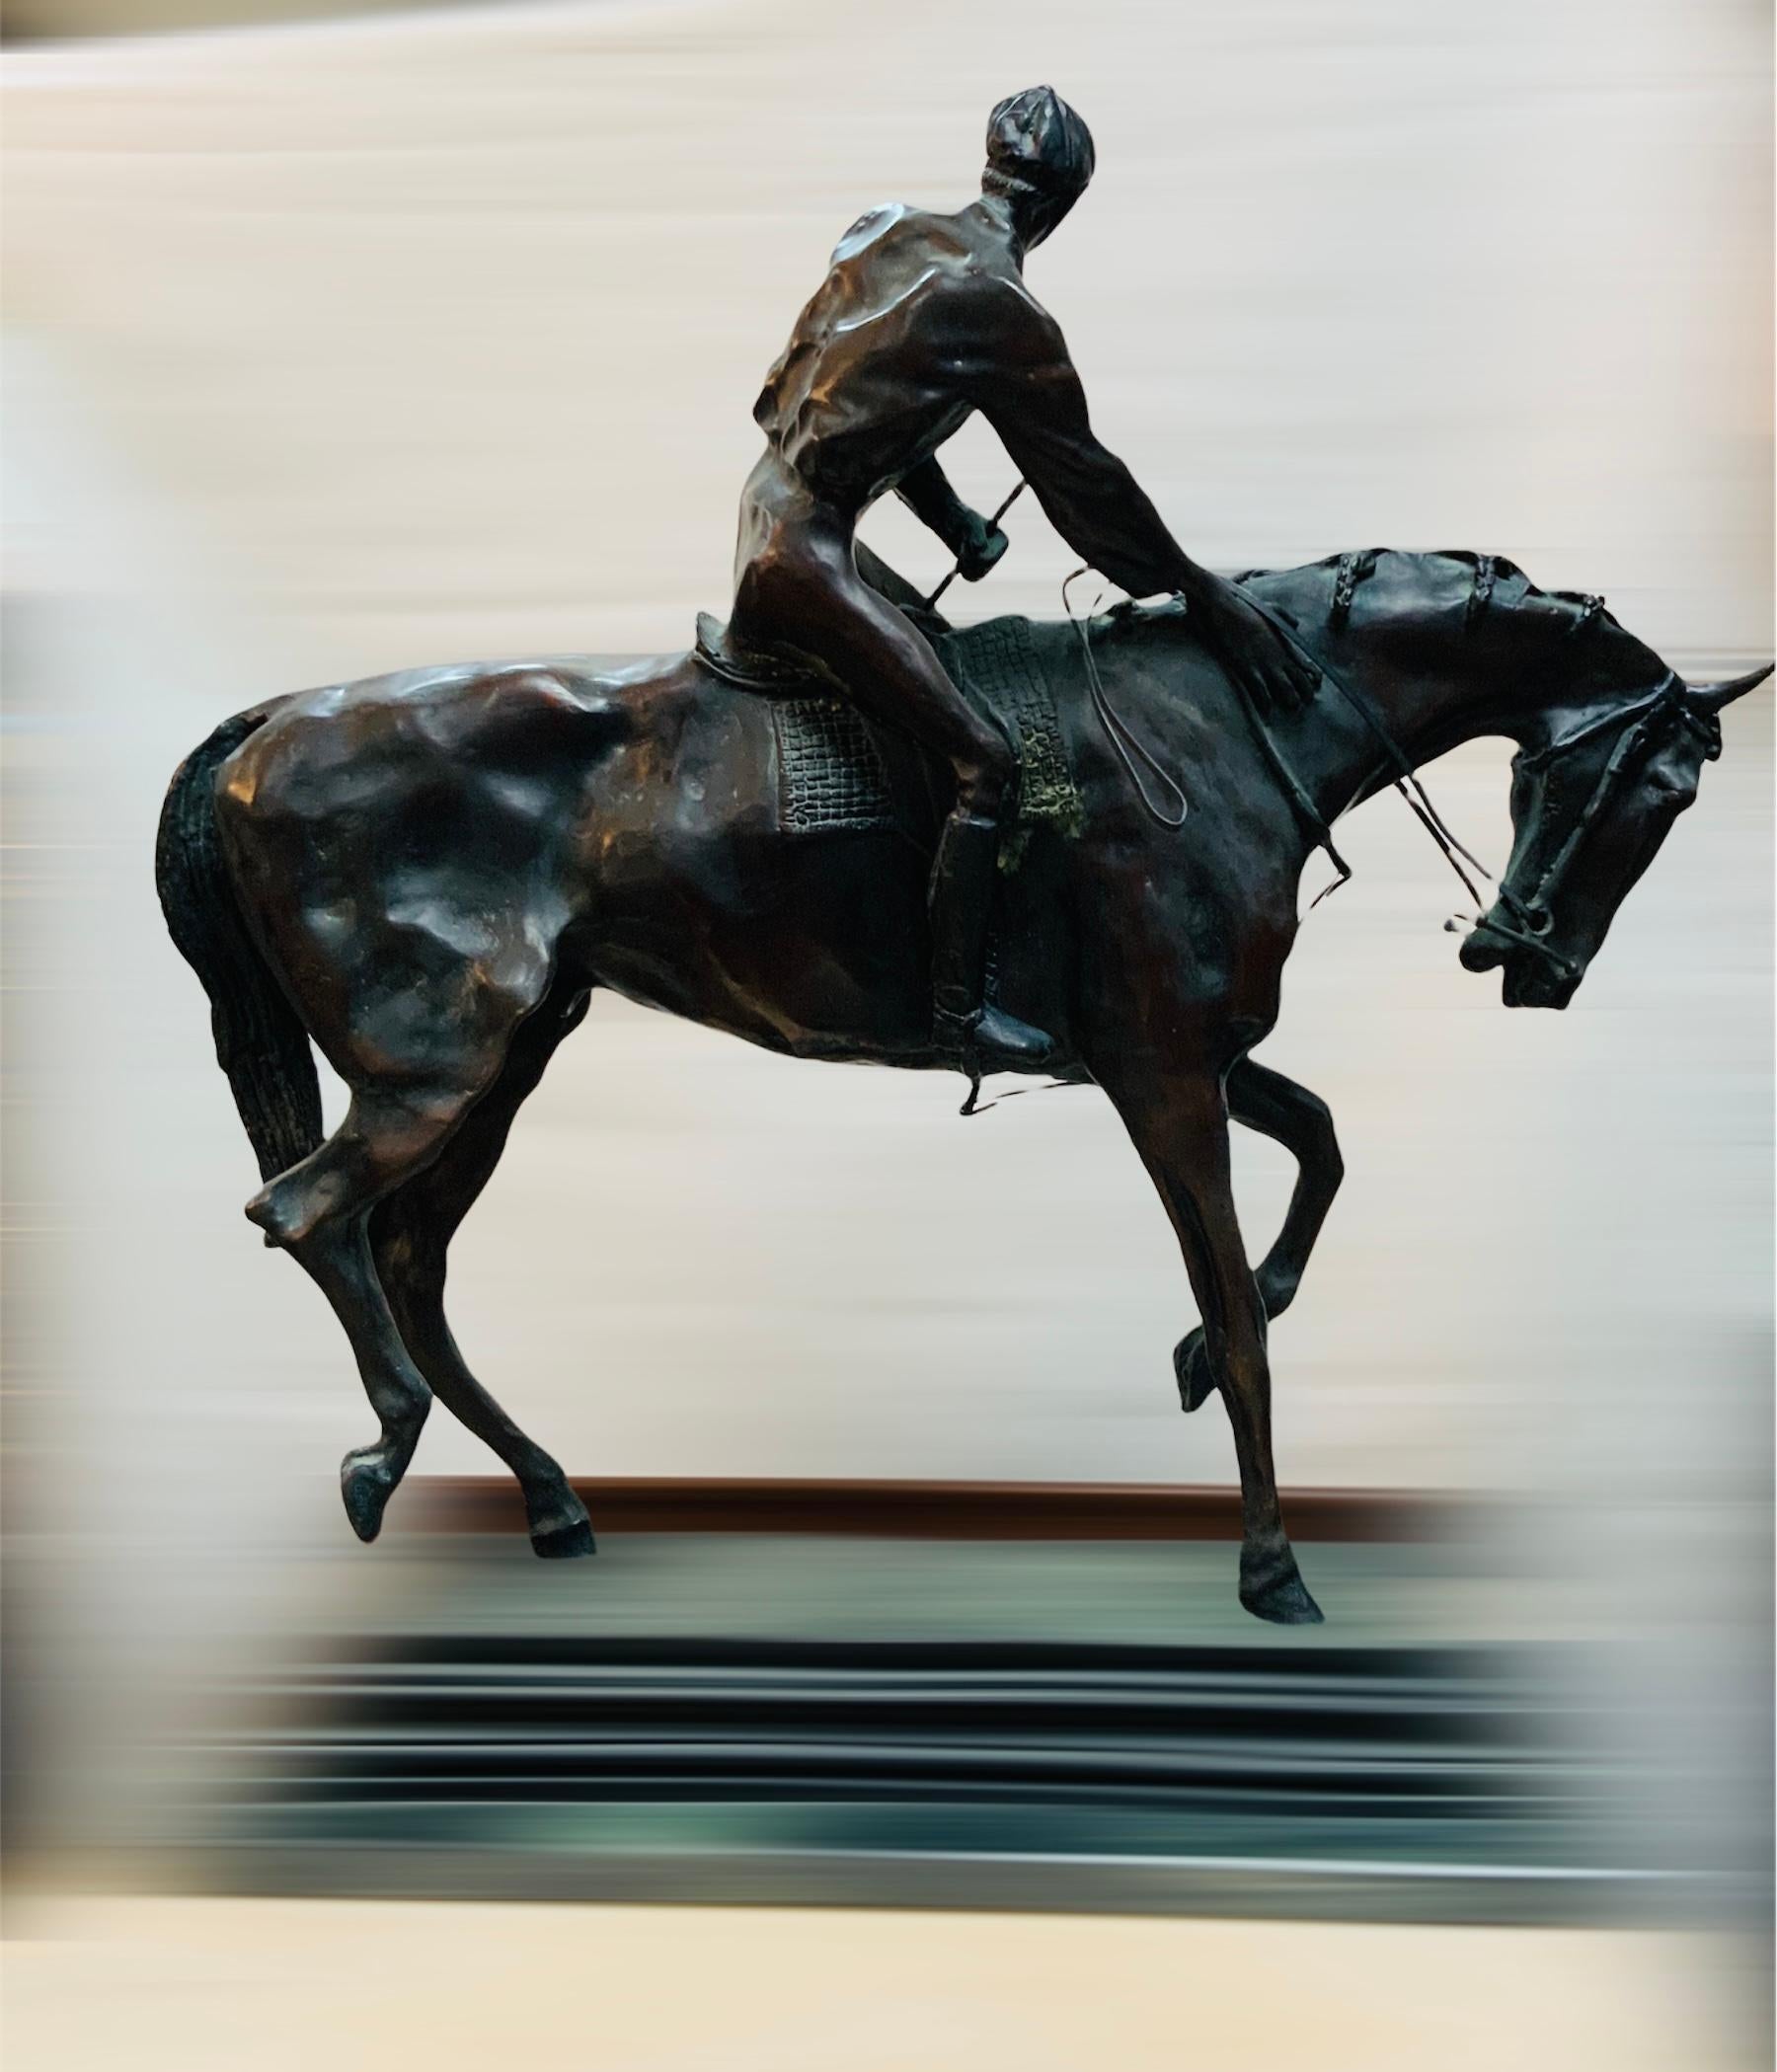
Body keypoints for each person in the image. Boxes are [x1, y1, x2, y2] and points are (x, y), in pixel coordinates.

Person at [729, 85, 1318, 1076]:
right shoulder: (1004, 313)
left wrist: (953, 520)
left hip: (774, 516)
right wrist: (1203, 593)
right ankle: (960, 1011)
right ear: (1066, 201)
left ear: (991, 166)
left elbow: (820, 402)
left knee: (937, 685)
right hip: (804, 557)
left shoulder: (883, 232)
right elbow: (1089, 490)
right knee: (986, 760)